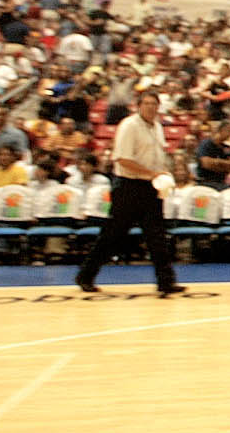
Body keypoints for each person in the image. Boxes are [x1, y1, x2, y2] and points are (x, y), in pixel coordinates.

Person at [75, 92, 185, 297]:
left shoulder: (158, 126)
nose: (151, 107)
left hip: (151, 187)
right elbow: (122, 159)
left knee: (157, 235)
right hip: (128, 186)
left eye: (155, 104)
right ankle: (85, 276)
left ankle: (166, 281)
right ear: (138, 106)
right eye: (147, 103)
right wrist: (153, 173)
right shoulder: (129, 125)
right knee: (112, 234)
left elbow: (157, 156)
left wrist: (162, 176)